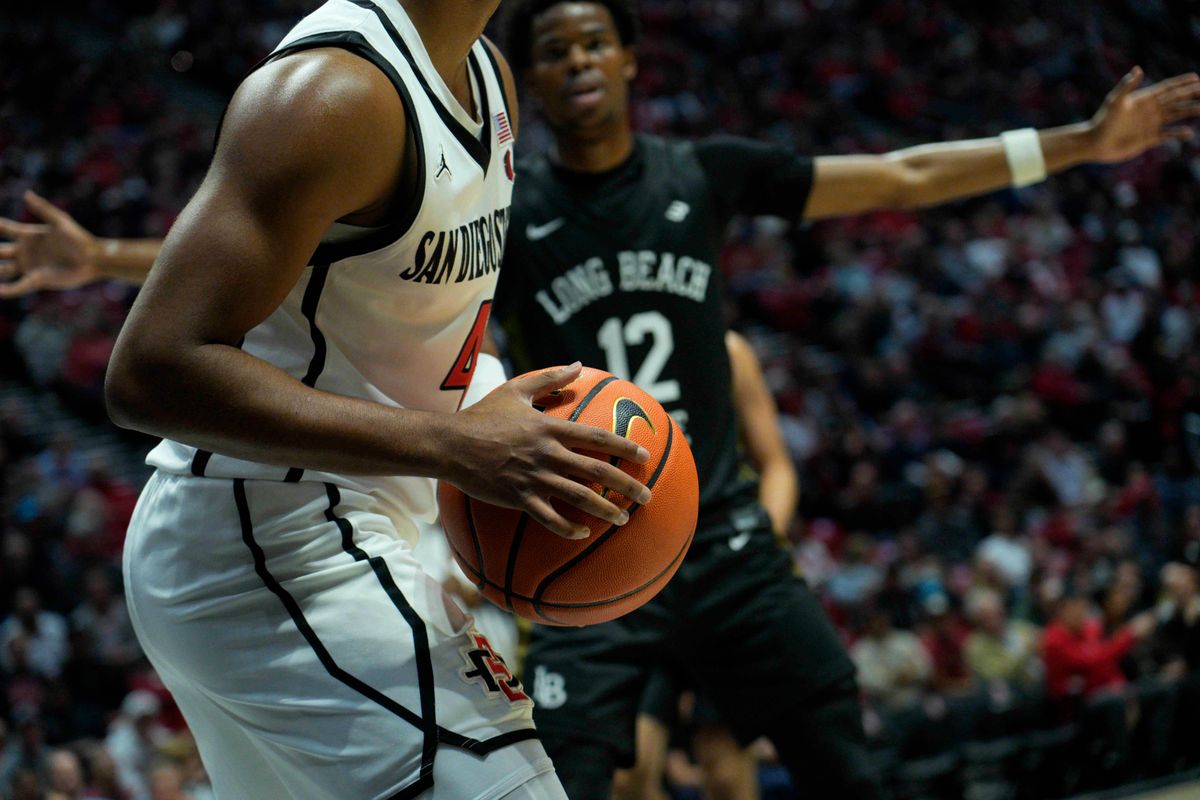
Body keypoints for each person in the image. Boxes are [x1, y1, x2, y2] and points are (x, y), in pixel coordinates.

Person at [491, 2, 1199, 797]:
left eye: (595, 43)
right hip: (590, 552)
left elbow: (902, 176)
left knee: (847, 774)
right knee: (566, 784)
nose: (579, 61)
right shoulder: (509, 221)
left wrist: (1081, 144)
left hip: (720, 540)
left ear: (628, 57)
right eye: (555, 50)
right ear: (531, 80)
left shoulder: (702, 173)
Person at [7, 0, 658, 796]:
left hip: (338, 528)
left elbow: (389, 326)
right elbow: (150, 369)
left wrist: (490, 410)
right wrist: (454, 447)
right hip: (264, 545)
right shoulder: (332, 93)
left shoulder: (490, 79)